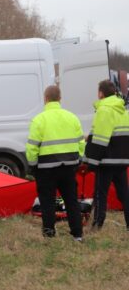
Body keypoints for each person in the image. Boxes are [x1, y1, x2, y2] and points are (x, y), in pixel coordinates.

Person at [26, 85, 84, 241]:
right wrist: (78, 160)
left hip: (45, 169)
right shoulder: (72, 117)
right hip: (69, 167)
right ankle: (77, 234)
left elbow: (32, 147)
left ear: (45, 99)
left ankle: (49, 234)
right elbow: (81, 143)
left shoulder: (39, 120)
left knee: (47, 202)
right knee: (71, 201)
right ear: (60, 98)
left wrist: (33, 165)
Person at [83, 79, 129, 230]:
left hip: (106, 160)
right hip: (122, 160)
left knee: (100, 193)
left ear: (101, 93)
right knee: (124, 194)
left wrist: (91, 162)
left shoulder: (104, 110)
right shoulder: (123, 110)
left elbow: (100, 139)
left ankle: (97, 224)